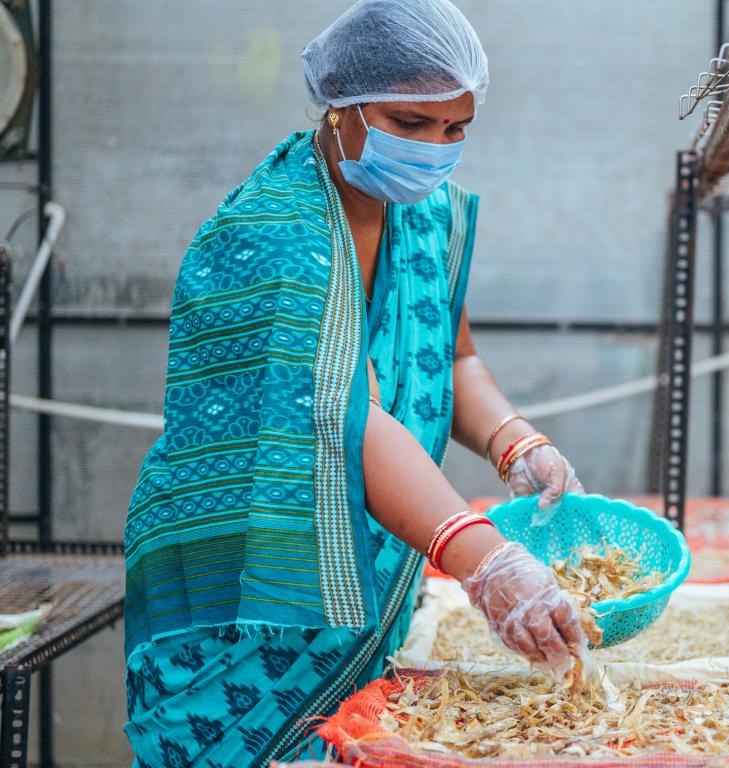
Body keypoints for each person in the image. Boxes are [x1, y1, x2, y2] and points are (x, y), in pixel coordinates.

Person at [122, 2, 589, 764]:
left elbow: (455, 355)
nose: (436, 151)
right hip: (251, 584)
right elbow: (343, 416)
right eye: (410, 122)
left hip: (370, 560)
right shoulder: (276, 232)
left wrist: (515, 443)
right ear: (340, 107)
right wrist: (486, 561)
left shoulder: (423, 214)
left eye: (456, 129)